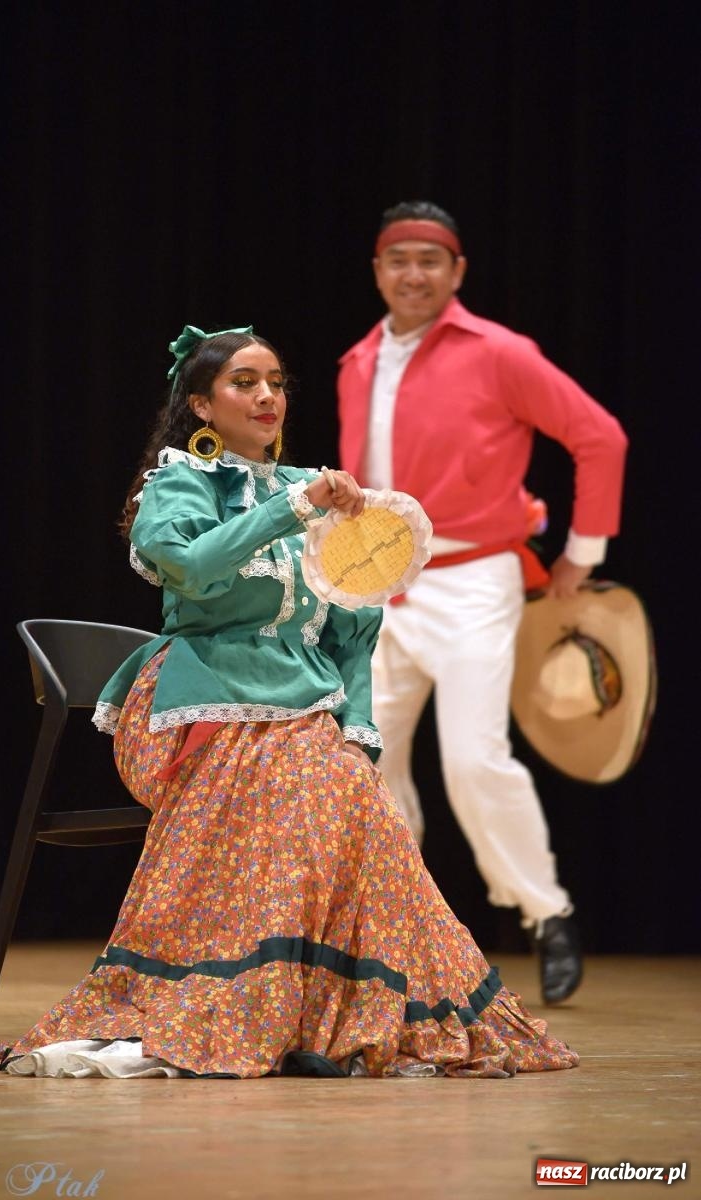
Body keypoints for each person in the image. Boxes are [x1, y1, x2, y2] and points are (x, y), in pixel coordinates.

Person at [0, 325, 578, 1079]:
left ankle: (324, 1016)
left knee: (354, 793)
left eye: (276, 382)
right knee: (311, 783)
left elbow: (354, 627)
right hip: (198, 697)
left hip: (299, 706)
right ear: (200, 403)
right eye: (244, 383)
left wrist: (356, 723)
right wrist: (292, 509)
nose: (266, 397)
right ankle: (255, 1004)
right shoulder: (183, 483)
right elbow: (190, 572)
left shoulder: (313, 492)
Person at [337, 202, 628, 1005]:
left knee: (471, 757)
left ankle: (547, 910)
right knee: (365, 760)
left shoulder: (497, 352)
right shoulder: (356, 361)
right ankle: (395, 928)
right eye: (398, 259)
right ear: (377, 271)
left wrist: (581, 553)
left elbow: (599, 436)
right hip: (378, 586)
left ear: (457, 271)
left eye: (431, 259)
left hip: (470, 578)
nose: (414, 273)